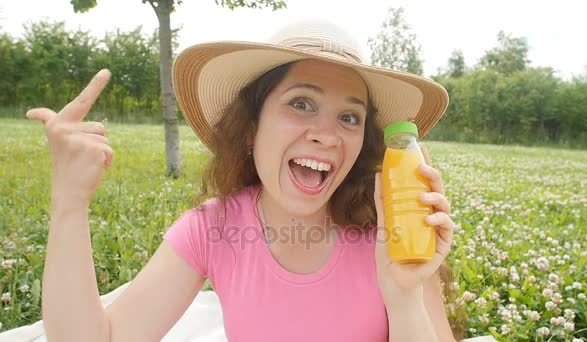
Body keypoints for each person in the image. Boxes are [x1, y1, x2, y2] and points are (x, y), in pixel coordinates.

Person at [26, 20, 463, 341]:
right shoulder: (212, 229)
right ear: (252, 127)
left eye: (349, 117)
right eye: (301, 103)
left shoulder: (394, 227)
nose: (326, 134)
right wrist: (70, 199)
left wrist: (404, 297)